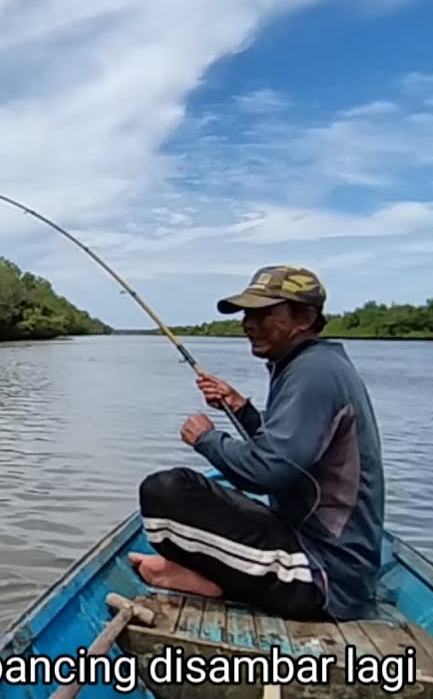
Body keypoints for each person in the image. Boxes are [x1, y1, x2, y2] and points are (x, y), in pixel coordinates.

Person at [128, 265, 385, 622]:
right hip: (317, 553)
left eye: (264, 313)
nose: (249, 323)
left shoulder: (314, 373)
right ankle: (209, 577)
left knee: (166, 491)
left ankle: (212, 581)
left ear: (306, 317)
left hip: (326, 577)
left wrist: (207, 439)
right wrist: (241, 408)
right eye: (248, 312)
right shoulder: (314, 363)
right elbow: (292, 454)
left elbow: (267, 471)